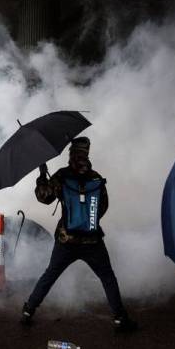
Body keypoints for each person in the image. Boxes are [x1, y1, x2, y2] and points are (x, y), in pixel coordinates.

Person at [21, 137, 137, 332]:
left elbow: (44, 197)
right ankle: (120, 318)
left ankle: (28, 311)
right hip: (92, 241)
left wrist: (42, 176)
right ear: (87, 153)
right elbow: (103, 207)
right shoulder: (95, 178)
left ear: (71, 153)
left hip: (66, 240)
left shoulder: (62, 176)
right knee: (107, 277)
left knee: (50, 274)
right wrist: (86, 219)